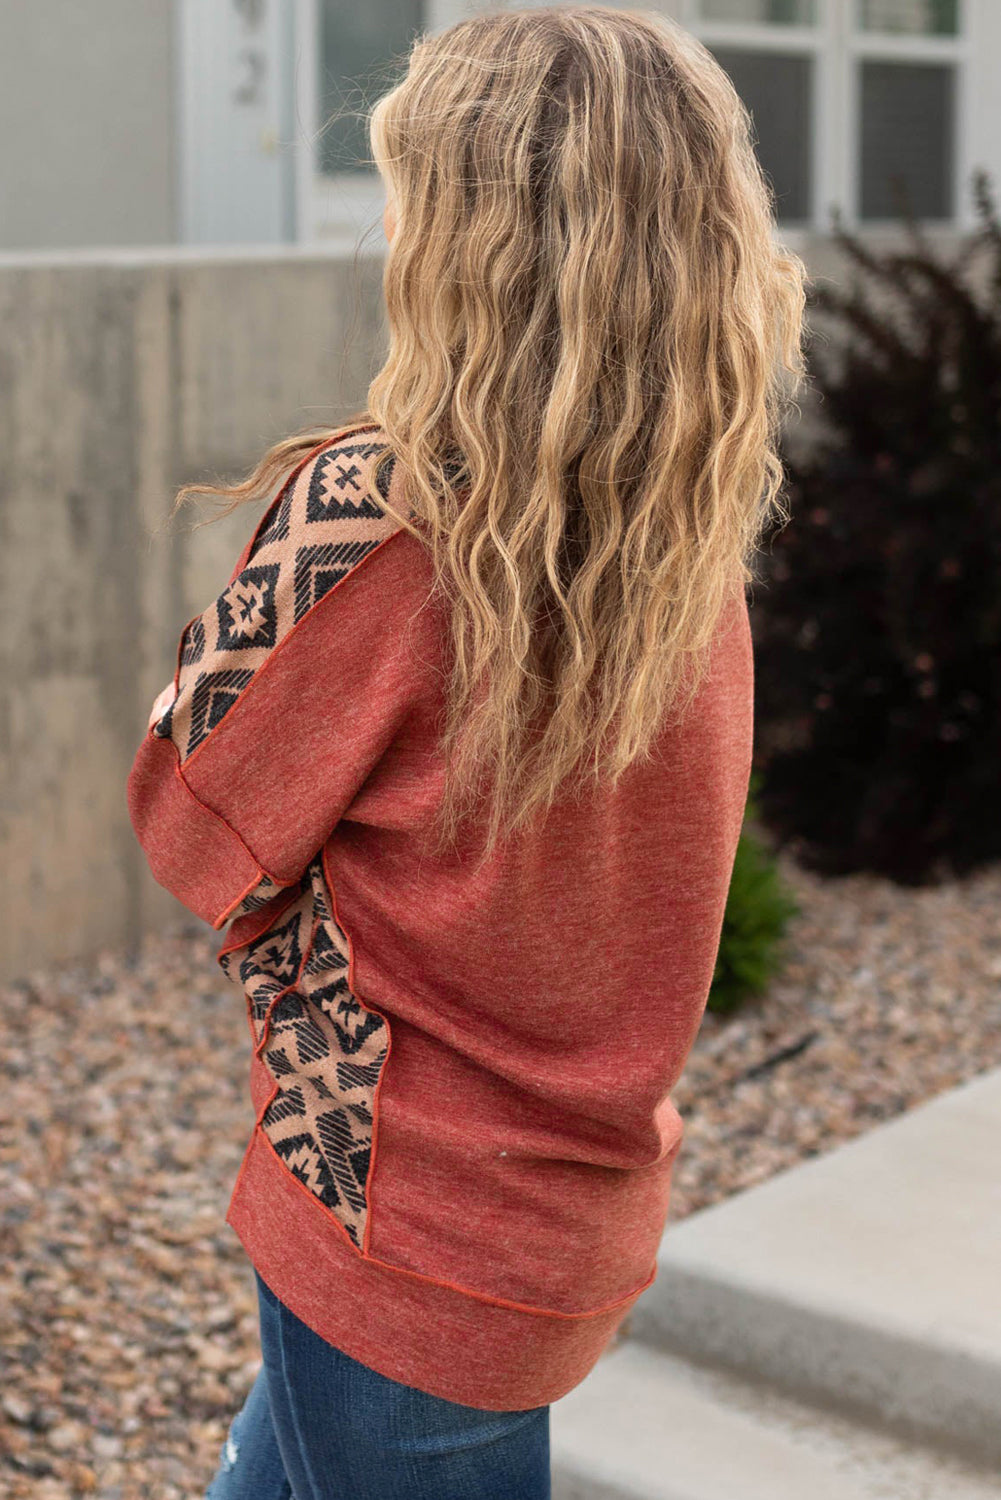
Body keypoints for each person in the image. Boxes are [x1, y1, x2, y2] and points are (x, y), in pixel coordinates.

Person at [126, 6, 807, 1497]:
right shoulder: (687, 537)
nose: (389, 229)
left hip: (398, 1219)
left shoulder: (380, 519)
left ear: (472, 238)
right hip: (562, 1225)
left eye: (410, 191)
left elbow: (189, 818)